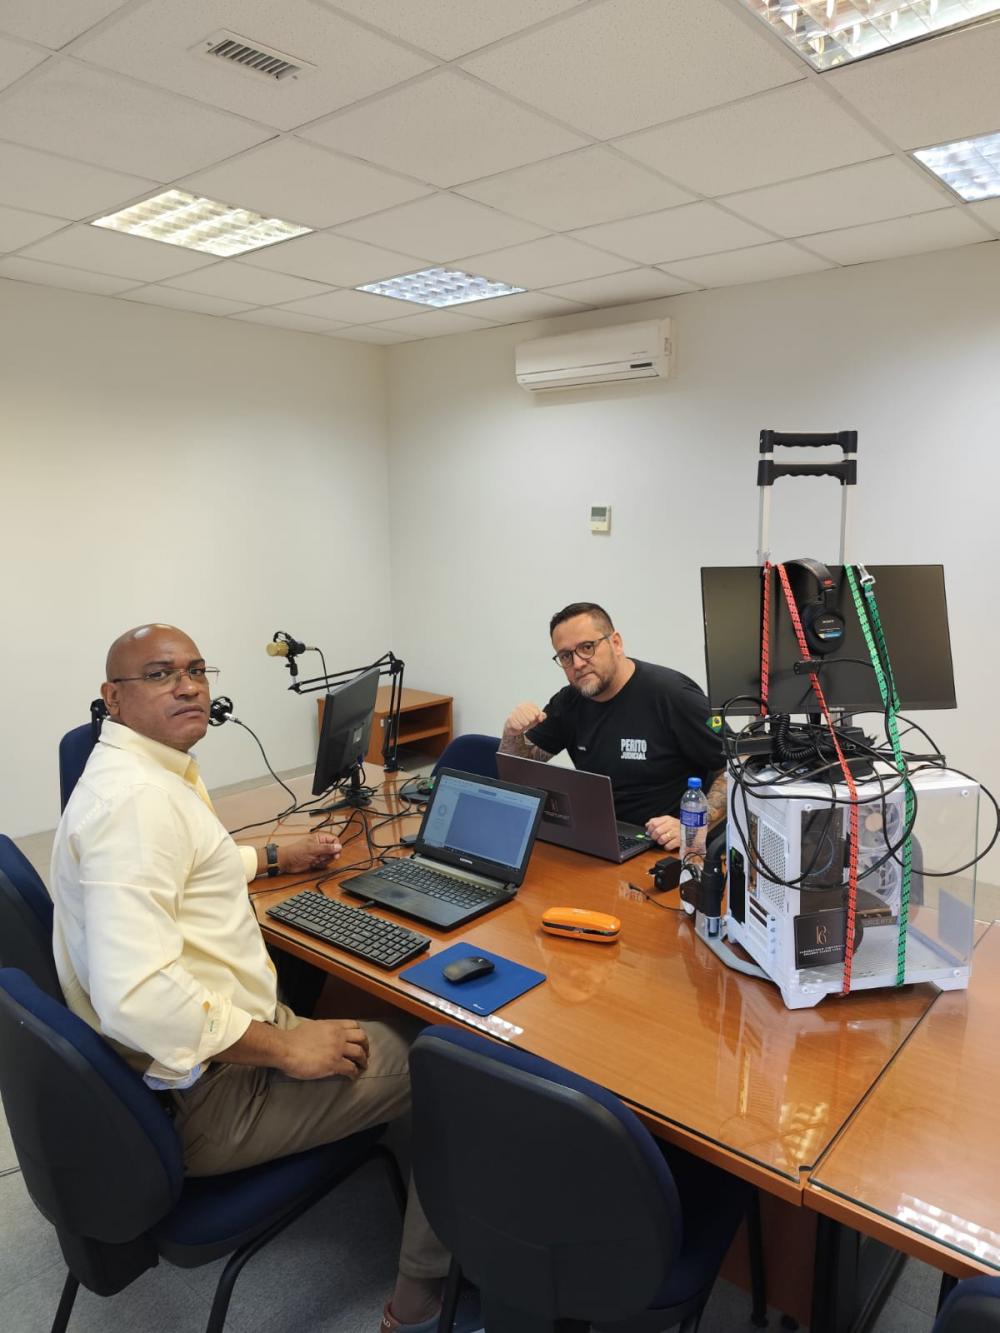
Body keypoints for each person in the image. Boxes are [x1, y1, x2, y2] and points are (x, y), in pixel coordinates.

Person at [50, 624, 472, 1333]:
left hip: (184, 1066)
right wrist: (286, 1048)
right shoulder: (135, 806)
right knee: (452, 1069)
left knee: (382, 1013)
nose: (187, 686)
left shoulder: (141, 774)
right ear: (112, 698)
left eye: (196, 670)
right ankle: (418, 1306)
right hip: (207, 1091)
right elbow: (137, 998)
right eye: (160, 674)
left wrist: (275, 856)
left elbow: (193, 863)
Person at [501, 602, 726, 851]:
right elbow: (518, 775)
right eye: (566, 656)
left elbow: (738, 764)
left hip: (665, 847)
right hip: (601, 839)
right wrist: (512, 734)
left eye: (587, 647)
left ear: (616, 643)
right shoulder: (568, 702)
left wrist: (692, 825)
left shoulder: (675, 695)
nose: (577, 663)